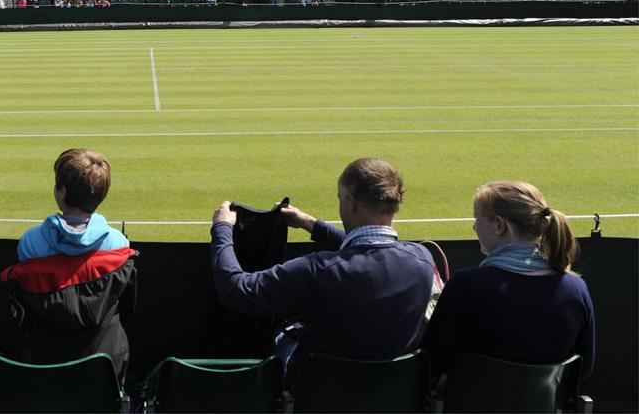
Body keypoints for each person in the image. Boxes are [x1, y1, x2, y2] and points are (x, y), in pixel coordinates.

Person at [210, 158, 435, 386]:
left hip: (319, 394)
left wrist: (223, 228)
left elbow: (237, 290)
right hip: (393, 393)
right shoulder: (422, 259)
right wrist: (311, 224)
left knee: (283, 332)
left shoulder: (318, 271)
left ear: (350, 201)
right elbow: (368, 251)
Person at [422, 181, 595, 379]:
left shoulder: (466, 285)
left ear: (499, 225)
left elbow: (432, 361)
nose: (474, 227)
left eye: (476, 219)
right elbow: (583, 369)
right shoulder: (576, 289)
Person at [2, 149, 136, 379]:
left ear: (62, 191)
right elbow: (126, 308)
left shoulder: (30, 243)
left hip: (44, 361)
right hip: (105, 365)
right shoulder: (119, 244)